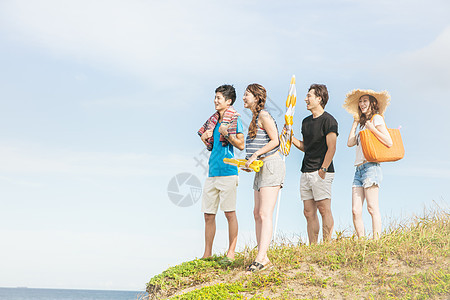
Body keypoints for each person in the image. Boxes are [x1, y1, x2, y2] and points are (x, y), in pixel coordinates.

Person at [197, 84, 245, 260]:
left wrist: (227, 133)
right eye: (215, 97)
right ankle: (207, 254)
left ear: (228, 101)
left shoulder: (234, 120)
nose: (215, 100)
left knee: (229, 213)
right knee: (208, 215)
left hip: (228, 172)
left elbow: (241, 144)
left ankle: (231, 253)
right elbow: (212, 146)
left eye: (219, 98)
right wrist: (205, 139)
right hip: (212, 172)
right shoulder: (213, 121)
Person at [242, 83, 285, 272]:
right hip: (260, 168)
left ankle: (262, 258)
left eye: (246, 95)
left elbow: (275, 140)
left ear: (256, 98)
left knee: (265, 213)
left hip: (271, 165)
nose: (243, 98)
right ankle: (262, 255)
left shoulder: (264, 115)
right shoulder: (254, 118)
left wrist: (255, 155)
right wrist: (249, 162)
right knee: (257, 213)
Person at [291, 84, 338, 244]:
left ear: (319, 98)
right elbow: (306, 147)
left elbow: (332, 147)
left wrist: (323, 169)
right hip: (305, 171)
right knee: (308, 212)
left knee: (324, 209)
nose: (306, 99)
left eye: (309, 96)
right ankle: (313, 246)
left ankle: (327, 244)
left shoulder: (329, 120)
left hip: (321, 171)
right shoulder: (305, 122)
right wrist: (291, 139)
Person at [344, 89, 392, 239]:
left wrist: (372, 129)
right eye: (360, 101)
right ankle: (362, 241)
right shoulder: (362, 124)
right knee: (355, 210)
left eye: (365, 101)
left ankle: (376, 241)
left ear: (373, 103)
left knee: (372, 208)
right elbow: (350, 143)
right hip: (358, 169)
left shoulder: (376, 119)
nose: (362, 103)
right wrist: (355, 122)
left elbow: (388, 142)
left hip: (371, 167)